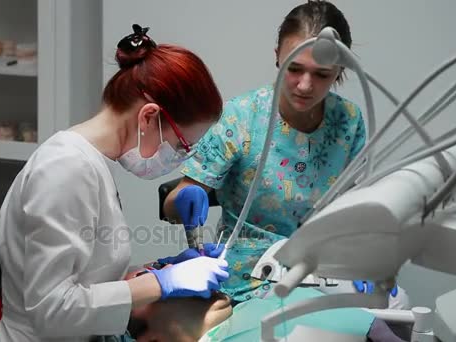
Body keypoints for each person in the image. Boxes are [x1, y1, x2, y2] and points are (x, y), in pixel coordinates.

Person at [162, 0, 408, 308]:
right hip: (251, 277)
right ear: (278, 56)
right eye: (295, 69)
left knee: (396, 307)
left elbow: (355, 207)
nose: (305, 85)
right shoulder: (242, 117)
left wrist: (365, 260)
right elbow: (176, 202)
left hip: (324, 266)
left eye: (321, 74)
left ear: (340, 69)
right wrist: (185, 201)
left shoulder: (349, 120)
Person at [0, 24, 229, 342]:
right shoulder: (65, 170)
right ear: (148, 117)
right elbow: (51, 310)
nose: (179, 158)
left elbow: (86, 274)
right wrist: (163, 284)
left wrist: (155, 271)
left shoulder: (93, 162)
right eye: (181, 146)